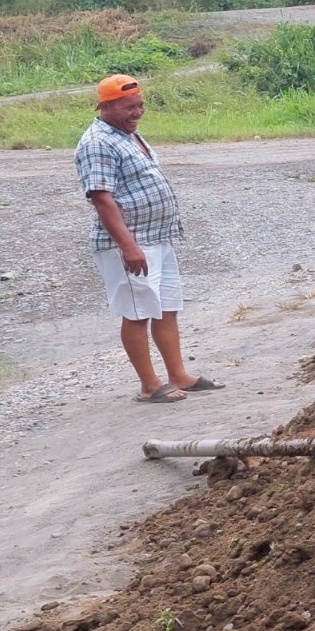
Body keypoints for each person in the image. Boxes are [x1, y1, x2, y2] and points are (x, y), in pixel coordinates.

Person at [74, 74, 221, 404]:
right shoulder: (97, 142)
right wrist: (128, 246)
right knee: (137, 312)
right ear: (105, 107)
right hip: (131, 243)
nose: (138, 112)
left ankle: (178, 374)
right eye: (129, 107)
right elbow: (101, 198)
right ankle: (149, 385)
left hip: (158, 238)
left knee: (166, 308)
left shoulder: (127, 135)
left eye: (140, 105)